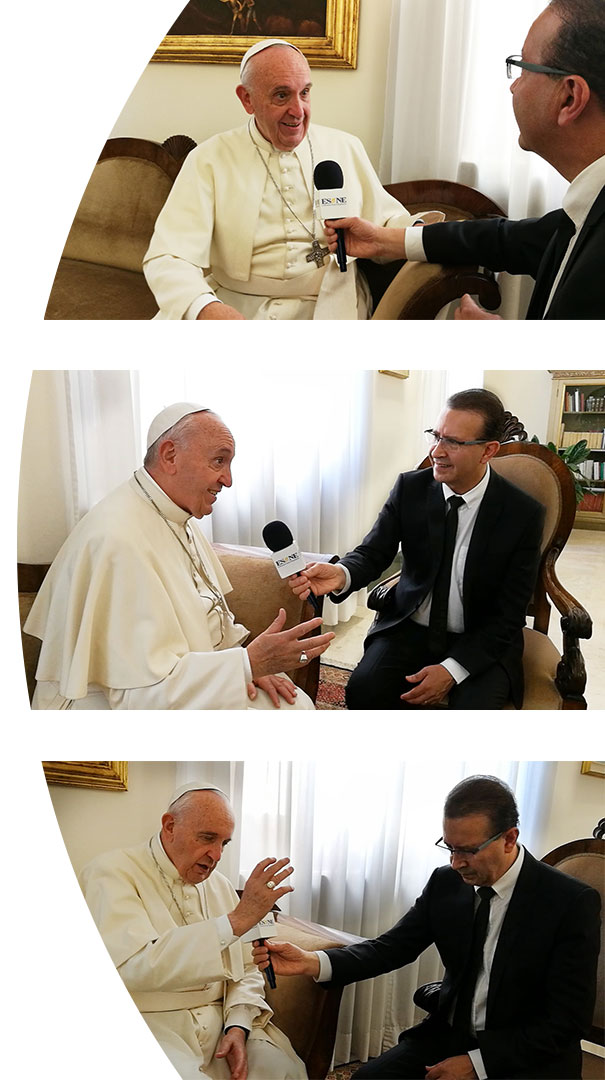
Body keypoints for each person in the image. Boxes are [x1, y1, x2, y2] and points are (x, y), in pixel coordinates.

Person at [252, 775, 601, 1080]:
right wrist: (311, 962)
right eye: (449, 847)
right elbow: (392, 947)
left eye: (467, 850)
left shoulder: (569, 902)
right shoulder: (446, 883)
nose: (455, 862)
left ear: (509, 838)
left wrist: (478, 1064)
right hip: (449, 1035)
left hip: (527, 1053)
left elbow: (567, 1021)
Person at [24, 403, 334, 709]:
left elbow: (207, 615)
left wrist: (246, 658)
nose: (228, 480)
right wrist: (245, 665)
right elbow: (138, 697)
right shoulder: (116, 541)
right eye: (218, 461)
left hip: (185, 682)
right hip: (111, 711)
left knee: (296, 705)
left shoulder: (173, 512)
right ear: (170, 455)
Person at [323, 0, 605, 319]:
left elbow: (581, 369)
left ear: (569, 97)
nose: (514, 86)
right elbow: (505, 240)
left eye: (524, 67)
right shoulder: (586, 209)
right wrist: (383, 240)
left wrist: (508, 349)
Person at [288, 389, 544, 709]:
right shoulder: (410, 489)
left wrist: (452, 670)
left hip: (480, 640)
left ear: (487, 450)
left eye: (453, 442)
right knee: (363, 690)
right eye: (435, 436)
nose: (437, 451)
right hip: (409, 628)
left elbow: (508, 614)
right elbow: (373, 552)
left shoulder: (523, 514)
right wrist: (341, 574)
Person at [143, 38, 431, 320]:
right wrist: (205, 309)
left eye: (304, 93)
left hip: (334, 303)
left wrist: (426, 235)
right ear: (247, 99)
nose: (298, 111)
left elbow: (386, 223)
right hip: (234, 307)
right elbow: (168, 256)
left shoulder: (345, 147)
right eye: (281, 95)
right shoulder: (208, 159)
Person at [80, 784, 307, 1080]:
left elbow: (248, 969)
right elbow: (134, 965)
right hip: (154, 1025)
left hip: (223, 1023)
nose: (216, 854)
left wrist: (238, 1025)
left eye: (224, 843)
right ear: (170, 826)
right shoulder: (111, 872)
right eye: (207, 838)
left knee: (279, 1070)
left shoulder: (220, 885)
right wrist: (235, 920)